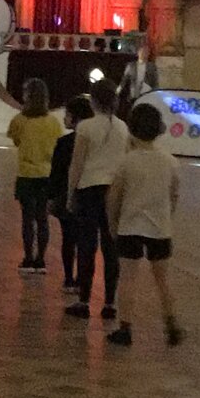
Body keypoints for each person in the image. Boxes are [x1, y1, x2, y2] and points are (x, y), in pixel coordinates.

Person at [105, 103, 182, 347]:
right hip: (160, 227)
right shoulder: (169, 161)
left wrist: (113, 224)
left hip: (130, 226)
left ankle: (125, 328)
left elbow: (114, 198)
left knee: (127, 278)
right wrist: (167, 216)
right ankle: (172, 325)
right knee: (163, 279)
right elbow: (174, 195)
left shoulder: (127, 162)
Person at [64, 81, 127, 323]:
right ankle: (110, 302)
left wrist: (71, 193)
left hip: (89, 189)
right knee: (111, 248)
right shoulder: (122, 128)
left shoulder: (86, 127)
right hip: (113, 191)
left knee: (87, 246)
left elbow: (77, 164)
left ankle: (84, 299)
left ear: (93, 101)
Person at [4, 79, 63, 273]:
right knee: (42, 219)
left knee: (27, 219)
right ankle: (41, 260)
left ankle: (28, 258)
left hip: (26, 174)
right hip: (46, 175)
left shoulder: (19, 120)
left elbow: (16, 140)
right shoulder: (53, 122)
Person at [51, 95, 92, 291]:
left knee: (68, 239)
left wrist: (52, 196)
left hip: (66, 196)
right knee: (85, 240)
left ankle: (68, 278)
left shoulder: (64, 142)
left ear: (74, 117)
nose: (64, 119)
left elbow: (57, 173)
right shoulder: (93, 141)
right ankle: (83, 278)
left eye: (67, 115)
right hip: (87, 195)